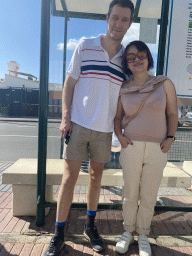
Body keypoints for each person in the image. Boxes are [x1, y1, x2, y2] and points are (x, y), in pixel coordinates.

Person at [44, 1, 134, 255]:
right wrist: (65, 117)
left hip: (105, 131)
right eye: (115, 17)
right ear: (107, 18)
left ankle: (90, 226)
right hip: (79, 125)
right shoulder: (85, 45)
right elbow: (69, 84)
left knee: (96, 180)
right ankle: (58, 234)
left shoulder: (126, 59)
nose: (119, 24)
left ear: (129, 24)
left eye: (124, 19)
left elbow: (124, 97)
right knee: (69, 179)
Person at [114, 40, 178, 256]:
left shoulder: (164, 83)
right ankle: (127, 231)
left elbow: (172, 113)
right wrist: (120, 136)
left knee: (149, 194)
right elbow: (117, 117)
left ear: (148, 58)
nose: (136, 60)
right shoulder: (124, 88)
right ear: (127, 64)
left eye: (141, 54)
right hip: (130, 146)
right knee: (130, 193)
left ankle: (143, 234)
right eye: (130, 57)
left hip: (157, 148)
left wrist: (170, 138)